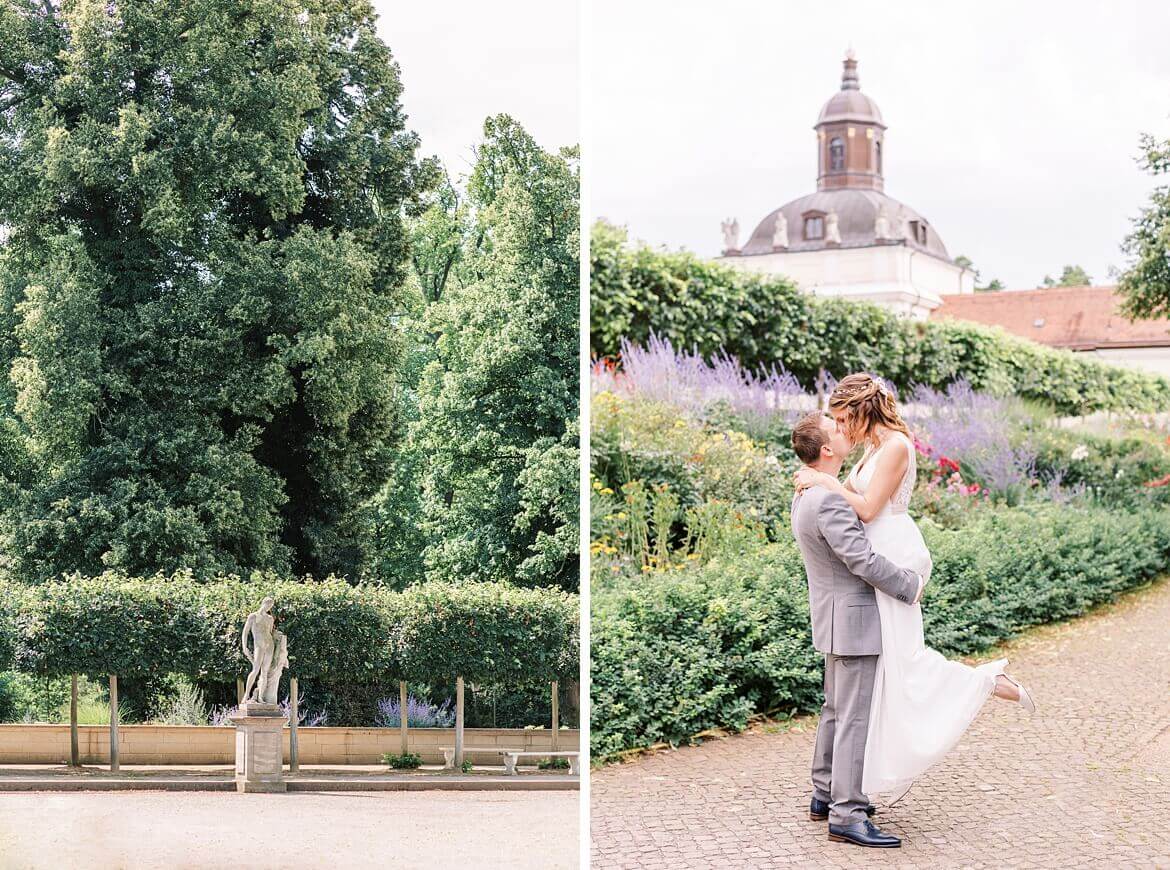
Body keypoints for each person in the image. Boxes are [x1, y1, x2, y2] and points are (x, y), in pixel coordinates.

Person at [793, 375, 1037, 830]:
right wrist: (824, 481)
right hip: (870, 569)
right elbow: (853, 508)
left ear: (864, 410)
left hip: (889, 560)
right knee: (872, 685)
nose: (842, 428)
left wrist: (821, 481)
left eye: (846, 418)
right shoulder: (869, 447)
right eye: (838, 422)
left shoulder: (897, 446)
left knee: (901, 666)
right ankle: (837, 795)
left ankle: (983, 683)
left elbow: (865, 510)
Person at [789, 411, 924, 849]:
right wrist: (909, 584)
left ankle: (824, 794)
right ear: (828, 449)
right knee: (853, 717)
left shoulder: (808, 492)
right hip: (855, 619)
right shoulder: (827, 500)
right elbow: (862, 560)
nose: (845, 431)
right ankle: (847, 813)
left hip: (833, 617)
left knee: (834, 710)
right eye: (836, 429)